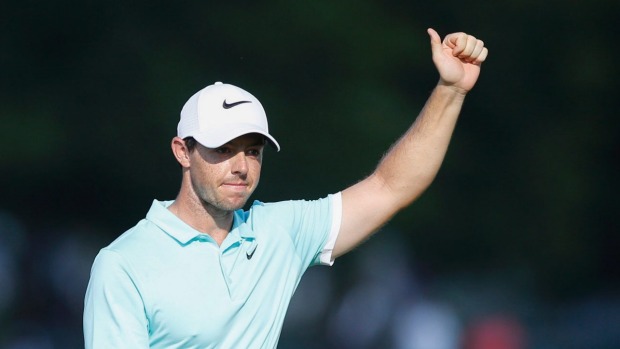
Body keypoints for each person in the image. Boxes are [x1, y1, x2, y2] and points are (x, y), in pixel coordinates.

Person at [83, 28, 488, 348]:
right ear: (182, 152)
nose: (241, 166)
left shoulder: (279, 231)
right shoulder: (123, 265)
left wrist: (450, 91)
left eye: (253, 151)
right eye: (223, 149)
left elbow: (390, 187)